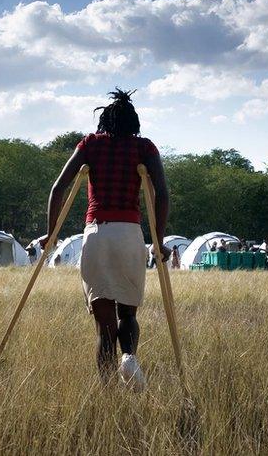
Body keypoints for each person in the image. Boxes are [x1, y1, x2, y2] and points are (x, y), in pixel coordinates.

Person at [46, 89, 168, 391]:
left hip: (97, 234)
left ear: (104, 120)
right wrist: (158, 240)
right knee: (128, 313)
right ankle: (128, 356)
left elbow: (58, 188)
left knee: (104, 327)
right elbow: (162, 193)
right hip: (129, 235)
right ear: (134, 123)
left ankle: (110, 394)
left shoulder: (90, 145)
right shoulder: (145, 148)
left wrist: (52, 235)